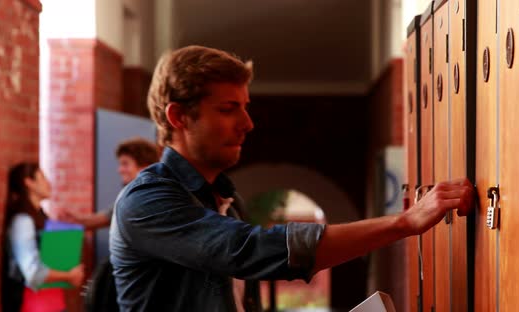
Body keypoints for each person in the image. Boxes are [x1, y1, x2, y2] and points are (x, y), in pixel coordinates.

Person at [109, 45, 475, 311]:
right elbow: (251, 250)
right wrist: (405, 222)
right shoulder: (147, 200)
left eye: (245, 108)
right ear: (178, 117)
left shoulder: (221, 199)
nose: (247, 124)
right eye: (228, 109)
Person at [1, 162, 84, 312]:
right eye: (43, 178)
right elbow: (32, 273)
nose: (49, 183)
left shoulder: (41, 217)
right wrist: (68, 276)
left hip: (53, 302)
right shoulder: (23, 222)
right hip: (34, 305)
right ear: (29, 183)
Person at [60, 137, 161, 230]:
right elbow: (106, 216)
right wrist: (75, 220)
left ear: (144, 167)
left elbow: (103, 219)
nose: (120, 170)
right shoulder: (134, 195)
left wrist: (72, 223)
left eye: (125, 164)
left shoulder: (145, 198)